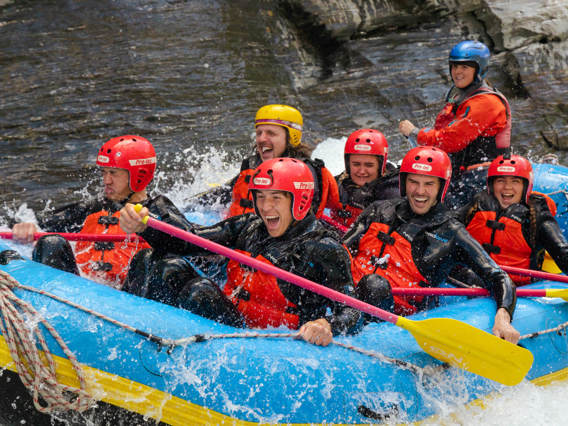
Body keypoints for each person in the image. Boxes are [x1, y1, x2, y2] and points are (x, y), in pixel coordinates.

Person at [119, 157, 360, 346]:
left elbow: (353, 311)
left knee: (199, 292)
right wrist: (145, 227)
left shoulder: (324, 247)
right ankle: (131, 334)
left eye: (275, 198)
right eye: (261, 197)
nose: (265, 208)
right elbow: (191, 241)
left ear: (301, 199)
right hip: (235, 321)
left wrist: (326, 324)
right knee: (155, 261)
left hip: (269, 343)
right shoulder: (249, 226)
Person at [343, 146, 520, 343]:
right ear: (404, 182)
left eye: (428, 184)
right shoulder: (378, 210)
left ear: (441, 187)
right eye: (413, 182)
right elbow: (341, 251)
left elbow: (498, 276)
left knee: (373, 285)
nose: (420, 191)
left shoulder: (451, 232)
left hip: (396, 315)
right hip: (346, 297)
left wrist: (503, 318)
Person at [11, 135, 190, 288]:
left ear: (138, 175)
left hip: (131, 296)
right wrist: (27, 226)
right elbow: (38, 222)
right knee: (50, 242)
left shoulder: (158, 209)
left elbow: (188, 244)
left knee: (146, 257)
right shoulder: (92, 208)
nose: (106, 180)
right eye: (104, 172)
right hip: (80, 292)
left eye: (113, 173)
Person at [398, 40, 511, 209]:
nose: (457, 72)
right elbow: (441, 130)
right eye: (454, 66)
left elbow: (450, 141)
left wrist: (414, 133)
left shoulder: (487, 102)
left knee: (443, 210)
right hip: (463, 172)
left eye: (465, 67)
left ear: (478, 70)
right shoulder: (461, 96)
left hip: (482, 175)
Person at [458, 154, 568, 285]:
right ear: (491, 185)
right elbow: (447, 228)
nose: (507, 187)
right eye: (501, 181)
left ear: (526, 186)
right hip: (474, 281)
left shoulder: (536, 214)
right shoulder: (478, 204)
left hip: (520, 287)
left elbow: (561, 251)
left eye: (515, 181)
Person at [227, 104, 339, 218]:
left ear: (291, 137)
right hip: (238, 228)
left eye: (271, 133)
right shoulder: (251, 164)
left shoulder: (303, 173)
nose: (261, 139)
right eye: (259, 133)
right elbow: (221, 197)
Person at [329, 128, 399, 229]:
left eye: (369, 165)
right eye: (356, 164)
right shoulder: (340, 183)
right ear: (348, 165)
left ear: (381, 166)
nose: (362, 171)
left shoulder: (393, 191)